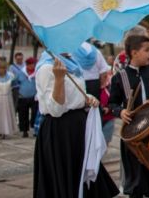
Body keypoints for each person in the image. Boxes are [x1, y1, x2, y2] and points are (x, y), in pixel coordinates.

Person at [34, 53, 118, 198]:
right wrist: (59, 79)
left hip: (78, 128)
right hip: (60, 132)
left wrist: (88, 99)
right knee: (65, 178)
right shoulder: (46, 68)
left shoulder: (73, 63)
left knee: (82, 176)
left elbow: (76, 96)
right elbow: (55, 110)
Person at [109, 34, 149, 198]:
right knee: (136, 180)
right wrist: (121, 111)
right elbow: (112, 103)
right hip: (133, 137)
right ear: (134, 53)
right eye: (147, 50)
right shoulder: (120, 77)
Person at [12, 56, 38, 137]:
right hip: (23, 97)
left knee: (35, 113)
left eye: (33, 64)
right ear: (27, 65)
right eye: (30, 64)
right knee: (23, 114)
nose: (32, 66)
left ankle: (34, 129)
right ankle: (24, 131)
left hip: (34, 96)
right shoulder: (21, 73)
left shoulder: (37, 72)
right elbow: (14, 82)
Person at [0, 60, 17, 139]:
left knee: (7, 114)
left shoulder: (11, 76)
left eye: (3, 68)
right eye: (0, 68)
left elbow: (14, 84)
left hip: (7, 98)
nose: (1, 70)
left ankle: (6, 131)